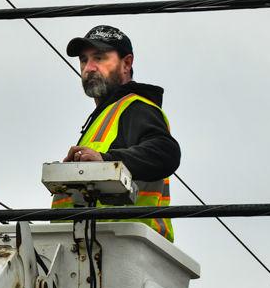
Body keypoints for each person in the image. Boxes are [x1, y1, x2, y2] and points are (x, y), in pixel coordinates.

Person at [52, 25, 180, 242]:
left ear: (126, 63)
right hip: (87, 250)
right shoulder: (103, 118)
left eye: (99, 58)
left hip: (124, 246)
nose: (89, 68)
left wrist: (105, 160)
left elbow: (166, 152)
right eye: (84, 60)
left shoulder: (136, 107)